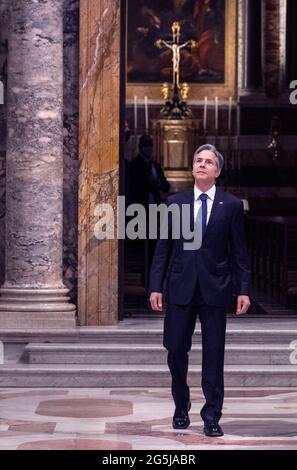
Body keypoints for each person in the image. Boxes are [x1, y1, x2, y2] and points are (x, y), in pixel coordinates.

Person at [149, 144, 251, 437]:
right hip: (180, 287)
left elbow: (240, 252)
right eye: (198, 160)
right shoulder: (174, 202)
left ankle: (211, 416)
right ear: (193, 168)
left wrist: (243, 288)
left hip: (215, 288)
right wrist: (156, 285)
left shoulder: (230, 205)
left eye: (208, 162)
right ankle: (181, 407)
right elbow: (162, 249)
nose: (202, 165)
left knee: (214, 354)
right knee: (175, 349)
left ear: (217, 171)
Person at [129, 134, 170, 209]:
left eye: (150, 145)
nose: (149, 148)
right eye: (146, 145)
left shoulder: (155, 165)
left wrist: (159, 183)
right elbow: (137, 185)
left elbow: (166, 186)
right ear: (140, 146)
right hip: (140, 206)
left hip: (154, 206)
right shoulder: (135, 164)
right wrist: (155, 183)